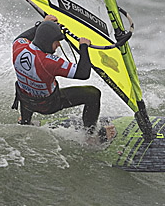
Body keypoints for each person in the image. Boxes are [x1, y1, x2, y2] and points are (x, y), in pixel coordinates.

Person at [11, 14, 115, 142]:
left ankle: (25, 122)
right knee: (93, 94)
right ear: (47, 42)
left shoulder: (18, 47)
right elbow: (83, 73)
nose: (59, 45)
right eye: (56, 42)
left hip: (25, 101)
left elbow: (21, 37)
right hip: (48, 104)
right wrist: (84, 47)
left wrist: (41, 25)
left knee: (27, 93)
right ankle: (91, 136)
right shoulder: (49, 63)